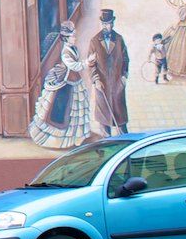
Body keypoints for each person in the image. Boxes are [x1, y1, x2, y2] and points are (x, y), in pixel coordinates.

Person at [29, 21, 90, 149]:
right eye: (73, 36)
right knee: (65, 112)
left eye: (74, 35)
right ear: (66, 38)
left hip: (74, 82)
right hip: (67, 84)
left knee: (75, 112)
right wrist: (87, 62)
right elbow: (74, 66)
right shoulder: (65, 52)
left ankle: (75, 137)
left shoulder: (74, 48)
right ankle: (62, 139)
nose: (75, 38)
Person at [87, 9, 129, 137]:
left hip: (117, 84)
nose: (107, 26)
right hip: (102, 85)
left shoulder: (119, 39)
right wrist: (96, 80)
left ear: (113, 23)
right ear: (101, 24)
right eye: (104, 24)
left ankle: (125, 141)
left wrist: (123, 77)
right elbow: (91, 64)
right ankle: (107, 142)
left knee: (120, 117)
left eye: (109, 23)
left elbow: (126, 59)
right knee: (104, 119)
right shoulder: (94, 41)